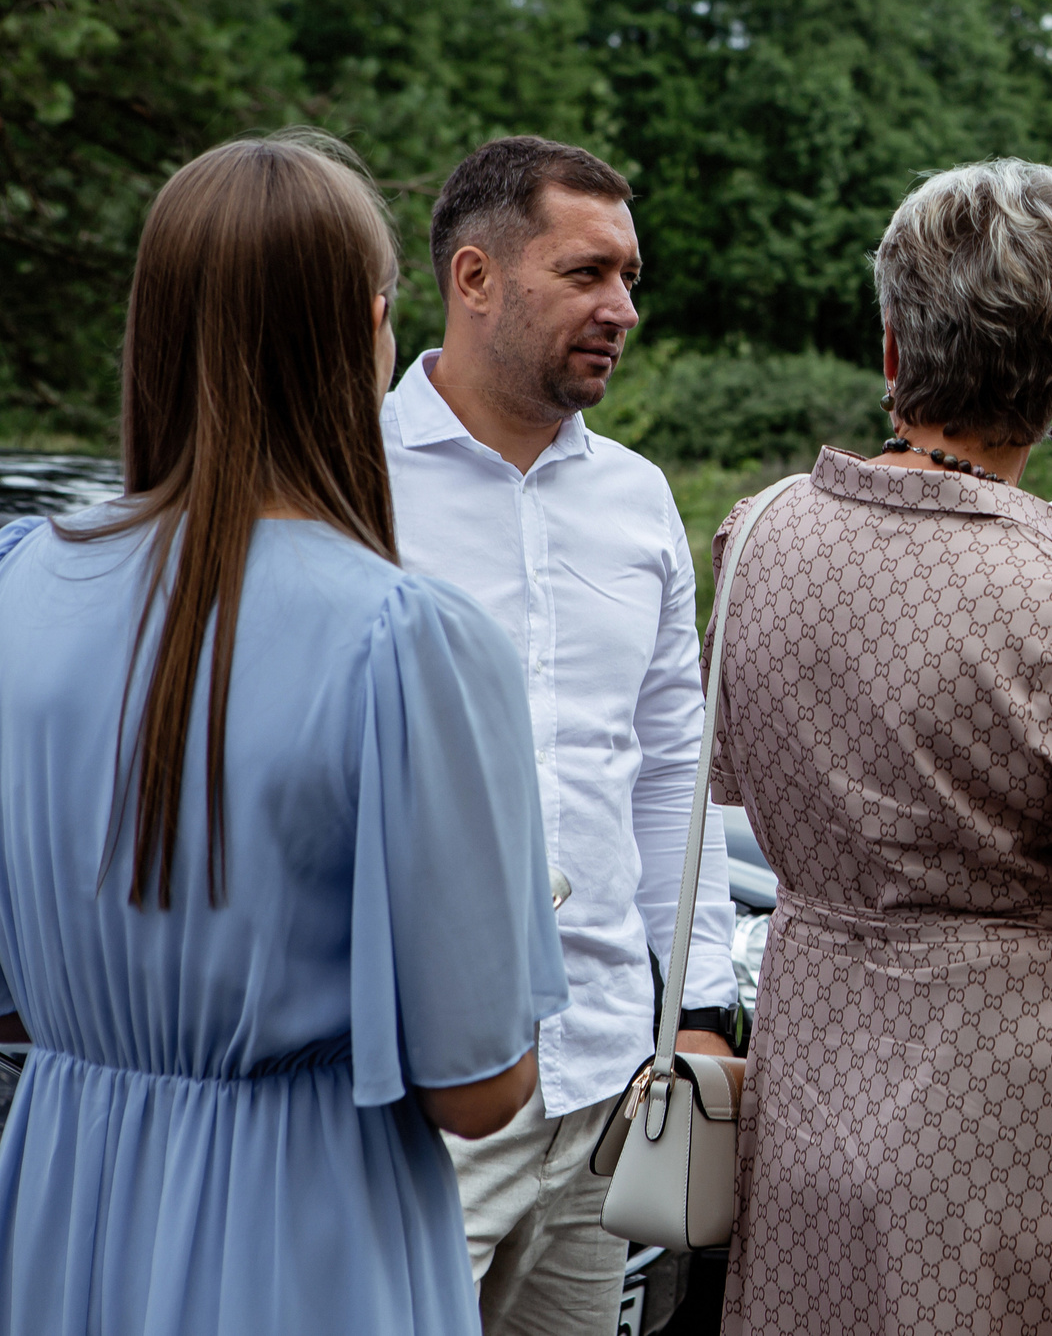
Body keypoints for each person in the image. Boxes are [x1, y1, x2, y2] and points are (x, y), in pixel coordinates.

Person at [0, 135, 566, 1335]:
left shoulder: (21, 591)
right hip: (302, 1234)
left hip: (60, 1207)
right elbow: (480, 1090)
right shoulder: (410, 639)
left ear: (153, 330)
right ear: (369, 329)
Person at [710, 158, 1052, 1336]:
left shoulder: (755, 537)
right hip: (1005, 1114)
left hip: (809, 1057)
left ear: (890, 349)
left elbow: (748, 792)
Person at [382, 135, 735, 1335]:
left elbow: (667, 763)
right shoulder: (348, 483)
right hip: (416, 1095)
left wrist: (698, 1001)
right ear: (473, 277)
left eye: (629, 277)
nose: (622, 308)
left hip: (602, 1080)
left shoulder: (637, 499)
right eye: (587, 274)